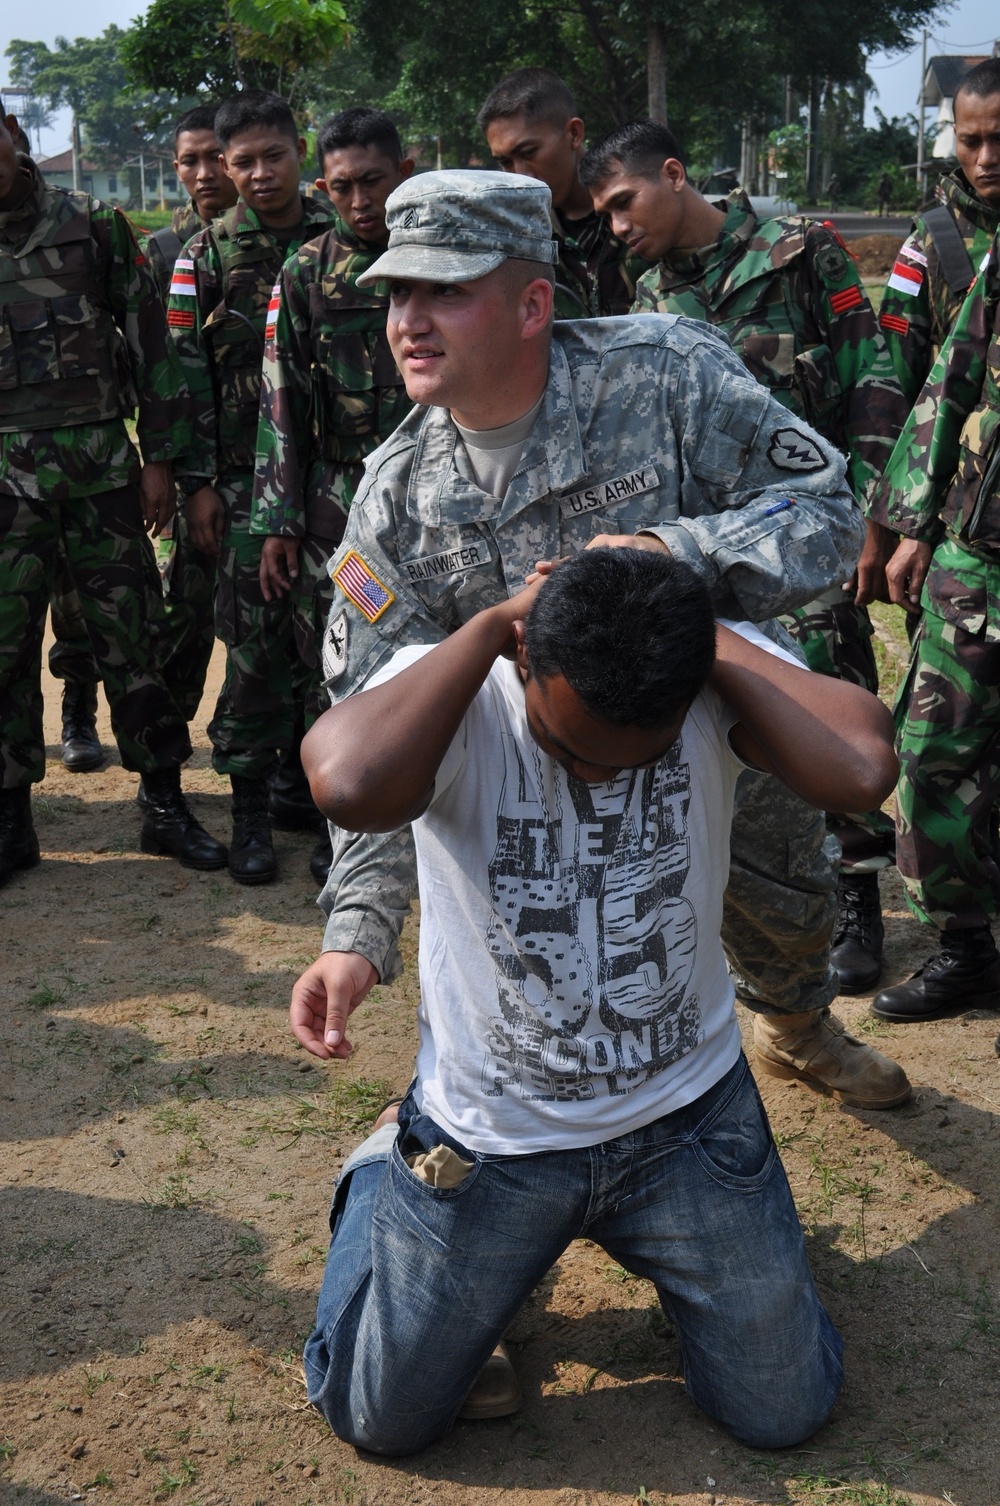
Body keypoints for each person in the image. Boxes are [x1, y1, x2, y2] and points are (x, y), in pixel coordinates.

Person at [295, 169, 911, 1115]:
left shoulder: (662, 375)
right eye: (398, 292)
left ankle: (795, 1026)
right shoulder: (394, 503)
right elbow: (374, 714)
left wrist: (680, 553)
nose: (408, 321)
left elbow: (824, 507)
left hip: (699, 731)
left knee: (784, 897)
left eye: (447, 290)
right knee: (546, 949)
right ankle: (504, 1107)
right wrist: (356, 933)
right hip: (528, 783)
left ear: (533, 302)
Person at [293, 546, 898, 1453]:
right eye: (568, 748)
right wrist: (496, 623)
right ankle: (385, 1167)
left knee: (784, 1407)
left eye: (633, 759)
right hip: (492, 1139)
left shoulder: (698, 677)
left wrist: (706, 640)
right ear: (526, 660)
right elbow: (346, 783)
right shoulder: (459, 683)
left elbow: (860, 767)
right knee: (381, 1416)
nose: (598, 776)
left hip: (689, 1125)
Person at [580, 121, 909, 995]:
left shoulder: (802, 251)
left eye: (624, 202)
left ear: (676, 174)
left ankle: (856, 893)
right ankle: (745, 910)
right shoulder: (643, 291)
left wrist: (872, 511)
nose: (616, 225)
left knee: (833, 693)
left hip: (800, 531)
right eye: (603, 213)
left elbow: (869, 376)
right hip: (705, 548)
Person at [0, 112, 229, 884]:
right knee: (3, 648)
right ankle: (10, 818)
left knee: (136, 634)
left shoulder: (94, 227)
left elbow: (150, 344)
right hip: (3, 485)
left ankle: (162, 800)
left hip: (100, 471)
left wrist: (160, 459)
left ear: (8, 130)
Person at [167, 90, 336, 883]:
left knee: (336, 645)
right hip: (238, 486)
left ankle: (326, 804)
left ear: (300, 151)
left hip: (333, 482)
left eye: (274, 156)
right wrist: (197, 485)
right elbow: (184, 378)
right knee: (254, 650)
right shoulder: (201, 257)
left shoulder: (340, 239)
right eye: (243, 163)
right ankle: (251, 817)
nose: (260, 175)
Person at [250, 107, 414, 885]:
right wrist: (280, 520)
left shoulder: (441, 258)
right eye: (342, 187)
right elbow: (280, 399)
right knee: (345, 656)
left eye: (372, 181)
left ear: (403, 172)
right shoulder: (305, 273)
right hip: (342, 507)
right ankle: (345, 827)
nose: (359, 201)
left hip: (441, 491)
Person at [867, 231, 1000, 1020]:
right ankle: (967, 948)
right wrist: (912, 521)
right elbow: (952, 380)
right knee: (930, 754)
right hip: (980, 560)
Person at [478, 68, 651, 317]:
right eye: (506, 162)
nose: (520, 175)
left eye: (529, 153)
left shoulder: (640, 208)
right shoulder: (518, 236)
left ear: (574, 134)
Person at [878, 58, 1000, 408]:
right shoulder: (928, 241)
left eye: (999, 138)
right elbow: (893, 373)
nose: (986, 158)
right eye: (970, 141)